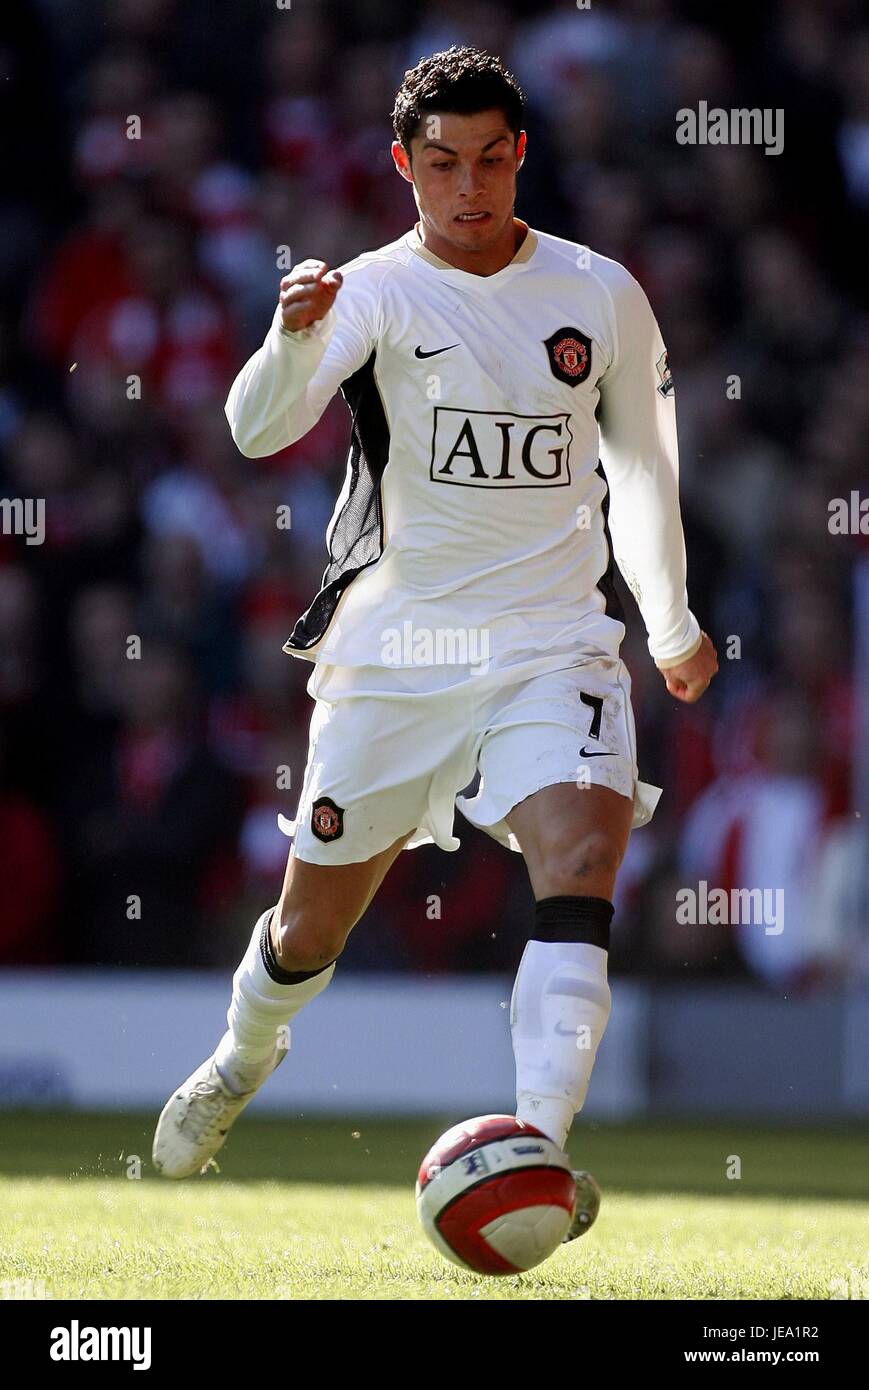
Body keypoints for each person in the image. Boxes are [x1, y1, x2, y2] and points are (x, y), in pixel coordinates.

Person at [153, 47, 718, 1242]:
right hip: (396, 650)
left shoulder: (598, 291)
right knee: (310, 929)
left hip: (550, 640)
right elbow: (257, 430)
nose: (469, 188)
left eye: (492, 160)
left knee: (579, 860)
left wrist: (667, 626)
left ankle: (537, 1153)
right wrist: (289, 339)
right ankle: (237, 1059)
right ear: (403, 166)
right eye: (443, 165)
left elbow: (641, 470)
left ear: (522, 156)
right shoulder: (368, 288)